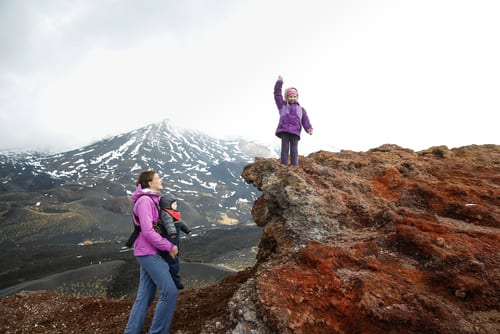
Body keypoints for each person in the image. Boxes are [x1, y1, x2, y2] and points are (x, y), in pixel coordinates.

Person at [124, 171, 179, 334]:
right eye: (157, 178)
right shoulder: (145, 202)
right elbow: (147, 231)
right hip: (148, 253)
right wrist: (169, 246)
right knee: (169, 292)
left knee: (145, 297)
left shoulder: (150, 200)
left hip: (146, 251)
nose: (160, 179)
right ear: (149, 182)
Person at [274, 75, 313, 166]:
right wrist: (279, 83)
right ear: (287, 97)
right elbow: (277, 94)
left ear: (297, 97)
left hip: (295, 132)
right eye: (290, 96)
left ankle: (295, 166)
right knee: (284, 149)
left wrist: (309, 129)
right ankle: (284, 165)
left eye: (294, 96)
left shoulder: (301, 109)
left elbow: (305, 120)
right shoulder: (282, 105)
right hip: (284, 130)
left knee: (294, 150)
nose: (292, 98)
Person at [159, 194, 191, 290]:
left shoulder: (173, 213)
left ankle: (172, 279)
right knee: (173, 260)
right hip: (171, 241)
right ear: (167, 204)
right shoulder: (165, 214)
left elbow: (180, 222)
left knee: (174, 259)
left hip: (174, 241)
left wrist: (186, 229)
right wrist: (172, 233)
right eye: (174, 204)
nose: (176, 206)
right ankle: (175, 282)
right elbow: (169, 224)